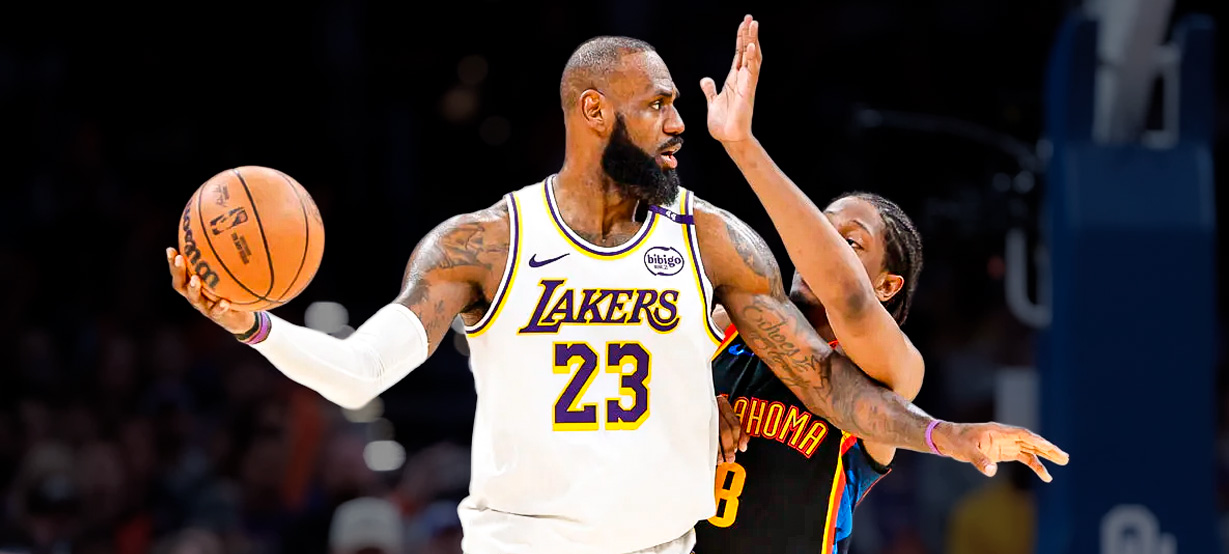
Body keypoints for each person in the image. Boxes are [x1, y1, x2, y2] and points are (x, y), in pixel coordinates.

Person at [165, 15, 1066, 554]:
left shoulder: (712, 242)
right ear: (594, 111)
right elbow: (362, 370)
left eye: (675, 105)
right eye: (658, 104)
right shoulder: (484, 243)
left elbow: (832, 386)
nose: (678, 124)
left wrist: (946, 436)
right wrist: (255, 326)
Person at [694, 16, 1062, 554]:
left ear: (888, 286)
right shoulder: (724, 326)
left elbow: (847, 298)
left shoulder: (893, 369)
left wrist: (743, 146)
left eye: (850, 242)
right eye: (818, 230)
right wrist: (696, 410)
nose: (820, 246)